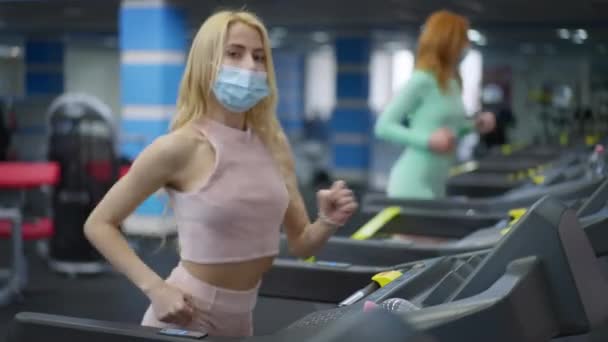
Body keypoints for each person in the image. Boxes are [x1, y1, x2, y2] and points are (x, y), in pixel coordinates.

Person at [84, 10, 358, 338]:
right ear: (206, 63)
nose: (250, 66)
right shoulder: (180, 147)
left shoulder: (274, 142)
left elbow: (301, 244)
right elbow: (98, 224)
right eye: (234, 53)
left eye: (259, 57)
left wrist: (327, 221)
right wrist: (156, 289)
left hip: (242, 321)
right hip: (185, 316)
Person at [374, 10, 495, 199]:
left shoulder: (452, 82)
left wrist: (475, 125)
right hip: (412, 183)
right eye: (463, 39)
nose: (467, 46)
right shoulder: (422, 80)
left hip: (437, 181)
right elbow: (383, 126)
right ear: (448, 42)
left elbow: (450, 131)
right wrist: (428, 140)